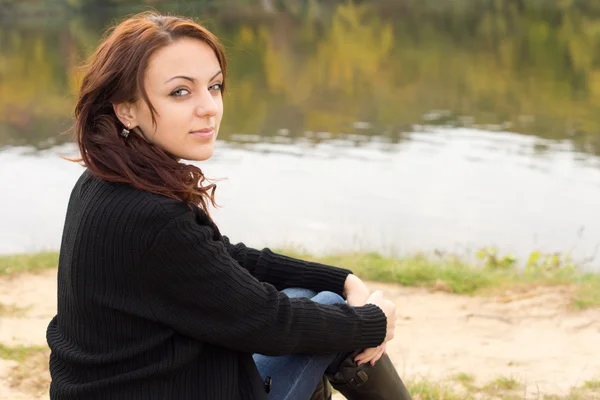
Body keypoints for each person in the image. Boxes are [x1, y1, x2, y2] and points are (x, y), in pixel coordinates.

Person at [46, 11, 412, 400]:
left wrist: (343, 279)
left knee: (316, 300)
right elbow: (270, 321)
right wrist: (372, 321)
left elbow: (223, 258)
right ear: (126, 109)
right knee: (327, 318)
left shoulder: (106, 180)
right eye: (180, 92)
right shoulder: (150, 217)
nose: (209, 108)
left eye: (215, 86)